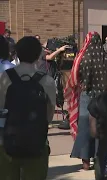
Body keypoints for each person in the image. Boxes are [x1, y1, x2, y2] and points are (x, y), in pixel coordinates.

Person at [0, 36, 56, 180]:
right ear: (39, 55)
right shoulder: (47, 81)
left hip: (7, 142)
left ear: (16, 53)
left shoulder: (5, 77)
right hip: (37, 143)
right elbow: (48, 117)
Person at [65, 32, 107, 170]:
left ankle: (86, 163)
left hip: (87, 95)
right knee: (100, 126)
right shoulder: (106, 57)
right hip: (102, 97)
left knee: (84, 127)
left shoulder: (83, 57)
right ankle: (99, 159)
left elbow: (77, 77)